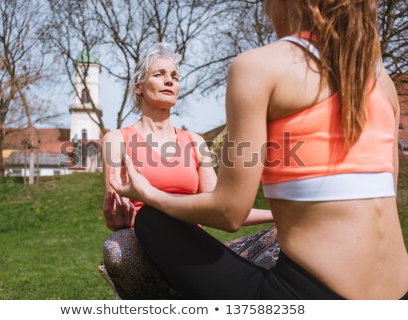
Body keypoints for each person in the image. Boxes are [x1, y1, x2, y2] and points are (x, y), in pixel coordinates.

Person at [109, 0, 408, 299]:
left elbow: (228, 212)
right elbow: (384, 196)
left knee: (152, 219)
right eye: (160, 74)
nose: (265, 11)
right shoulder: (381, 80)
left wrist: (148, 196)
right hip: (399, 294)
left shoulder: (257, 67)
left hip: (314, 295)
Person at [100, 43, 276, 299]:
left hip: (192, 245)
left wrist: (279, 214)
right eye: (159, 74)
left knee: (287, 234)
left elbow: (225, 207)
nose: (169, 80)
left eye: (174, 77)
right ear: (138, 87)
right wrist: (119, 221)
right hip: (144, 243)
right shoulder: (117, 140)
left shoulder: (195, 141)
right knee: (117, 248)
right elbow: (118, 209)